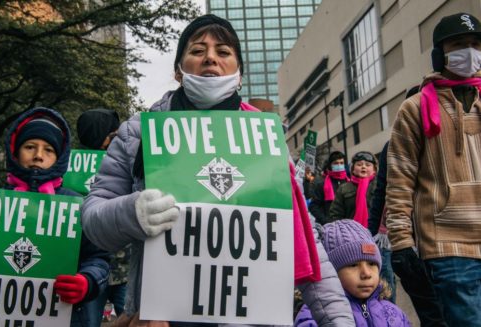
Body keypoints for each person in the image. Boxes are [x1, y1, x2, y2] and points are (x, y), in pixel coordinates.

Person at [81, 14, 354, 327]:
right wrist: (133, 212)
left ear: (239, 76)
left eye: (223, 52)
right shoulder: (139, 134)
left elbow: (300, 239)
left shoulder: (267, 142)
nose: (210, 57)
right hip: (161, 319)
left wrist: (339, 321)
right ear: (178, 72)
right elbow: (93, 220)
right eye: (198, 51)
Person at [0, 107, 110, 327]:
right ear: (15, 152)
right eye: (30, 147)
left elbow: (98, 259)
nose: (38, 155)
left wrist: (87, 282)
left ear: (59, 157)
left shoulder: (77, 205)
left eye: (48, 149)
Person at [386, 12, 481, 326]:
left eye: (475, 44)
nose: (470, 52)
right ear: (440, 53)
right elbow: (399, 179)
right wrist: (401, 242)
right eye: (459, 44)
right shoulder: (414, 108)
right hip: (447, 245)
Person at [294, 220, 411, 326]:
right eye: (353, 265)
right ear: (330, 272)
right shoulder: (316, 315)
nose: (366, 273)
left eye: (371, 264)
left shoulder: (394, 313)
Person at [76, 108, 129, 317]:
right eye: (112, 135)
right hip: (87, 270)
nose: (117, 139)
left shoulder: (126, 165)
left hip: (124, 268)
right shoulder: (68, 169)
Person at [329, 151, 377, 226]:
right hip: (351, 233)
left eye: (368, 165)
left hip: (376, 233)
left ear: (374, 170)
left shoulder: (380, 186)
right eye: (359, 164)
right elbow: (336, 213)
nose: (363, 167)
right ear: (353, 169)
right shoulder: (344, 188)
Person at [308, 151, 349, 225]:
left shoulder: (350, 183)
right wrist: (325, 220)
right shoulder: (322, 185)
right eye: (336, 163)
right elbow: (313, 206)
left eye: (341, 163)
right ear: (330, 165)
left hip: (349, 225)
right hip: (329, 225)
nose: (339, 165)